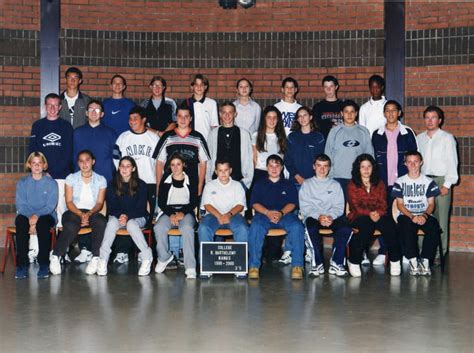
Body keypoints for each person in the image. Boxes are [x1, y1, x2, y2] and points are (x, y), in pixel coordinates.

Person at [371, 100, 417, 265]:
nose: (390, 113)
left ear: (399, 112)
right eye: (387, 110)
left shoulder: (407, 132)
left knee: (402, 218)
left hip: (402, 183)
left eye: (393, 110)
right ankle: (384, 251)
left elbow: (414, 158)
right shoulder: (376, 134)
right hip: (383, 183)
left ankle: (404, 251)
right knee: (385, 218)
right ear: (384, 113)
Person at [49, 150, 107, 276]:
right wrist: (81, 214)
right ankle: (56, 256)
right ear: (78, 163)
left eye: (87, 160)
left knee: (101, 222)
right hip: (73, 211)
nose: (84, 163)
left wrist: (89, 213)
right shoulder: (71, 178)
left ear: (93, 162)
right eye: (81, 161)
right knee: (70, 225)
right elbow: (69, 201)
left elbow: (99, 203)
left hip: (93, 211)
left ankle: (96, 258)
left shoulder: (101, 180)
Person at [248, 155, 305, 280]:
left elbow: (292, 203)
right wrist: (268, 213)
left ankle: (297, 265)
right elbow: (255, 203)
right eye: (271, 166)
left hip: (284, 215)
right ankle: (254, 266)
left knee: (297, 226)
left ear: (282, 167)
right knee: (255, 226)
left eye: (277, 166)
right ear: (266, 167)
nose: (274, 169)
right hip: (264, 215)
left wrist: (281, 213)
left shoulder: (288, 184)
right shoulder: (259, 184)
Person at [95, 156, 153, 276]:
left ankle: (147, 257)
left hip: (138, 216)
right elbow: (111, 206)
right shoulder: (112, 184)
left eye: (128, 166)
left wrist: (127, 217)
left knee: (131, 224)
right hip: (118, 216)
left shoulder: (142, 185)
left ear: (133, 168)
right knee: (111, 223)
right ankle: (103, 259)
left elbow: (141, 208)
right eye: (122, 166)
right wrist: (121, 216)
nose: (124, 169)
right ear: (119, 168)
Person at [346, 154, 401, 277]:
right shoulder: (352, 184)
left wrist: (378, 213)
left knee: (389, 226)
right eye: (363, 167)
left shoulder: (379, 183)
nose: (366, 170)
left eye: (369, 166)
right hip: (358, 215)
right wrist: (370, 213)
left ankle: (395, 260)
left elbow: (383, 203)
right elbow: (355, 206)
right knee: (366, 227)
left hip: (378, 214)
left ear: (373, 168)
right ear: (358, 168)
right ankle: (354, 261)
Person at [299, 154, 352, 277]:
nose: (322, 169)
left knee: (346, 229)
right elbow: (305, 207)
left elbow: (339, 207)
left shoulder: (335, 185)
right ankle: (317, 264)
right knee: (310, 228)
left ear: (329, 168)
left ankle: (337, 262)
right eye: (319, 166)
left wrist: (330, 216)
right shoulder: (306, 184)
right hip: (313, 216)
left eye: (325, 166)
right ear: (314, 167)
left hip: (331, 217)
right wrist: (319, 216)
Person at [417, 106, 458, 257]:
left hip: (441, 181)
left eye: (433, 117)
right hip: (424, 181)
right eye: (427, 117)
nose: (430, 121)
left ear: (439, 120)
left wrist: (447, 184)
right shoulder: (419, 138)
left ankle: (440, 255)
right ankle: (423, 252)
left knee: (441, 221)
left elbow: (452, 163)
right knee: (423, 216)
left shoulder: (447, 138)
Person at [392, 151, 441, 276]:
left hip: (424, 214)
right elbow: (400, 205)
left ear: (421, 163)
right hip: (407, 215)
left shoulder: (429, 182)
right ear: (405, 164)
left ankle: (425, 261)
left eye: (415, 161)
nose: (413, 165)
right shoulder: (399, 182)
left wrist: (424, 216)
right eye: (409, 162)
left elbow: (431, 204)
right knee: (405, 227)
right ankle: (413, 260)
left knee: (434, 227)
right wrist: (412, 216)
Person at [198, 159, 249, 279]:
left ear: (230, 170)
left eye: (226, 170)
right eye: (220, 170)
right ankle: (206, 266)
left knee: (243, 228)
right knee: (204, 228)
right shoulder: (210, 185)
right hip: (213, 216)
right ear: (216, 171)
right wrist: (219, 216)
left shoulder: (238, 185)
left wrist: (228, 215)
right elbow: (207, 205)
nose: (223, 173)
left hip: (233, 215)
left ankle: (240, 266)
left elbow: (240, 205)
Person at [29, 93, 73, 228]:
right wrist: (42, 172)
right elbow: (32, 151)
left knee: (60, 210)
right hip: (40, 177)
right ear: (45, 106)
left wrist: (52, 173)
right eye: (49, 105)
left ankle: (60, 248)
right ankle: (37, 246)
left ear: (60, 107)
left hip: (60, 177)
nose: (52, 108)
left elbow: (68, 153)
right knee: (40, 210)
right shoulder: (37, 125)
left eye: (55, 105)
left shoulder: (66, 126)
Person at [154, 153, 198, 279]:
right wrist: (171, 214)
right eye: (172, 165)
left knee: (187, 228)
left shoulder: (191, 179)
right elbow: (161, 202)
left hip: (186, 211)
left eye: (178, 164)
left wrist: (182, 213)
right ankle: (164, 257)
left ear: (183, 165)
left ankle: (190, 267)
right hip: (168, 211)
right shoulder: (165, 179)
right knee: (159, 228)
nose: (176, 167)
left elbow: (194, 200)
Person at [14, 152, 58, 279]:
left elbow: (50, 206)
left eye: (40, 163)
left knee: (43, 223)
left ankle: (44, 264)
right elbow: (20, 205)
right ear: (29, 165)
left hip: (47, 214)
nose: (37, 166)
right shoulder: (22, 182)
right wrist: (30, 218)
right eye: (34, 163)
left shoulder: (51, 183)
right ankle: (22, 265)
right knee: (20, 222)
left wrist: (36, 216)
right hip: (26, 214)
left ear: (44, 165)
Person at [153, 105, 210, 200]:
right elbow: (159, 163)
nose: (183, 119)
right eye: (180, 116)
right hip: (170, 184)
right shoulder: (167, 136)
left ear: (191, 118)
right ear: (175, 117)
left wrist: (199, 187)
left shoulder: (198, 137)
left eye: (186, 116)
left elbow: (203, 165)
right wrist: (159, 186)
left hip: (191, 184)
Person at [324, 100, 373, 199]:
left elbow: (370, 156)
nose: (349, 115)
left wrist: (368, 177)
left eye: (352, 112)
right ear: (342, 113)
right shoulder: (334, 131)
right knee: (340, 211)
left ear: (356, 113)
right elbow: (328, 155)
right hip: (338, 178)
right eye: (346, 112)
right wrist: (330, 177)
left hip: (358, 178)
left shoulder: (364, 132)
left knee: (357, 212)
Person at [206, 101, 254, 190]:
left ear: (235, 114)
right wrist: (209, 181)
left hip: (238, 181)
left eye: (230, 112)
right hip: (216, 181)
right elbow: (209, 159)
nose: (227, 115)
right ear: (220, 114)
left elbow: (249, 160)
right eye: (224, 112)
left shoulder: (244, 134)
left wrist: (246, 182)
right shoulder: (213, 134)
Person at [74, 100, 117, 182]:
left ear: (102, 114)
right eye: (90, 109)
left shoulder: (111, 133)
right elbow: (74, 156)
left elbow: (115, 158)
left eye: (97, 110)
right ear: (86, 113)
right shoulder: (77, 132)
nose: (94, 112)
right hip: (82, 178)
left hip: (105, 179)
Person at [284, 106, 325, 188]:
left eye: (305, 115)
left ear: (310, 117)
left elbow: (322, 160)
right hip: (295, 182)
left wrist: (315, 178)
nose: (302, 118)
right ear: (298, 119)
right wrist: (297, 177)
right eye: (300, 116)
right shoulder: (292, 137)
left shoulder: (319, 137)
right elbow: (287, 160)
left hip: (315, 183)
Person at [252, 106, 287, 183]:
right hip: (260, 173)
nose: (272, 120)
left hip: (277, 174)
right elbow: (254, 159)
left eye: (275, 117)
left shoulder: (282, 137)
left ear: (278, 120)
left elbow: (283, 158)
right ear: (264, 119)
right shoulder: (256, 136)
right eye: (269, 117)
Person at [183, 74, 219, 141]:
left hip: (207, 141)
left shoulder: (212, 103)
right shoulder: (186, 103)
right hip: (190, 141)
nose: (199, 87)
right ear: (192, 87)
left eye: (201, 85)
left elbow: (214, 126)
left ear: (205, 87)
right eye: (196, 84)